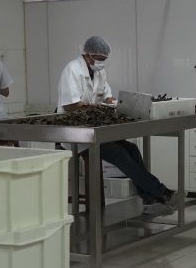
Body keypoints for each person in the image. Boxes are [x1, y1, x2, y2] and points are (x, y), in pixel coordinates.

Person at [57, 36, 178, 215]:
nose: (101, 63)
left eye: (104, 60)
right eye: (99, 59)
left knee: (132, 150)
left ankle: (150, 201)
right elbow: (70, 105)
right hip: (78, 133)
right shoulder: (72, 70)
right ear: (88, 55)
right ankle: (162, 192)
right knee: (120, 154)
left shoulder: (99, 72)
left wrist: (121, 103)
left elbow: (107, 97)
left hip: (96, 129)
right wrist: (97, 106)